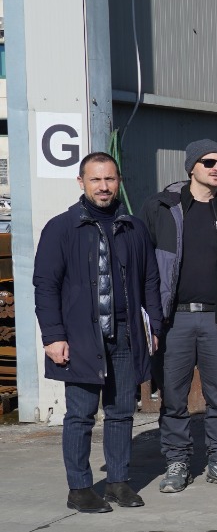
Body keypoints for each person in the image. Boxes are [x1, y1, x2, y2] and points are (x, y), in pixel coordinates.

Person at [34, 153, 162, 512]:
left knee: (122, 411)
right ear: (81, 183)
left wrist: (153, 326)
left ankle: (118, 482)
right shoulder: (62, 228)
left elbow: (150, 280)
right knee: (81, 414)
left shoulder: (133, 227)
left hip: (125, 334)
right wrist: (53, 336)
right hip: (80, 337)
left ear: (119, 181)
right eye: (95, 180)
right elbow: (45, 286)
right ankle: (79, 488)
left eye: (109, 179)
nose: (103, 187)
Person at [142, 139, 217, 492]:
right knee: (174, 397)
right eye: (209, 161)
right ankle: (177, 462)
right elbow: (141, 264)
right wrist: (147, 317)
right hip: (173, 320)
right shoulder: (161, 207)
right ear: (191, 166)